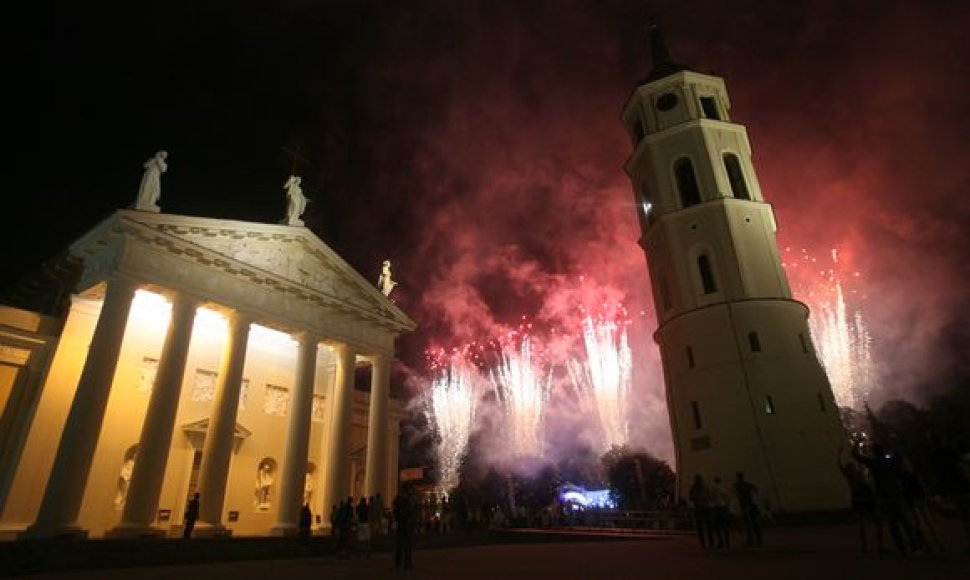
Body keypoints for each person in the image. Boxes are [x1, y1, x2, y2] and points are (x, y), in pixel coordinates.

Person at [852, 443, 920, 553]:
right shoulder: (891, 462)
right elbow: (903, 471)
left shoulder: (873, 463)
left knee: (893, 524)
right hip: (896, 494)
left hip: (884, 497)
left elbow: (855, 455)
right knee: (907, 523)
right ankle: (915, 547)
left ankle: (901, 548)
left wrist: (857, 443)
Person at [838, 446, 884, 552]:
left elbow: (854, 464)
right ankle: (872, 547)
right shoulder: (854, 478)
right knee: (869, 523)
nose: (853, 468)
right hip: (863, 497)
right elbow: (841, 465)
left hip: (862, 497)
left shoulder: (855, 477)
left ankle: (869, 547)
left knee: (869, 523)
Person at [733, 472, 762, 546]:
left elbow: (735, 489)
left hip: (746, 505)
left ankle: (751, 540)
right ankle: (758, 540)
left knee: (748, 523)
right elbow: (755, 488)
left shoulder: (739, 485)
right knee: (754, 523)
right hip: (751, 504)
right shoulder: (747, 484)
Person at [688, 474, 715, 549]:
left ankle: (707, 544)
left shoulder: (695, 488)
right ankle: (707, 544)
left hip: (702, 508)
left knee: (704, 527)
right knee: (705, 527)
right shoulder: (700, 487)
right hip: (703, 508)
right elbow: (710, 497)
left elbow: (690, 498)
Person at [394, 485, 416, 570]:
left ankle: (397, 563)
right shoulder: (409, 499)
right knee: (407, 544)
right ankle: (407, 563)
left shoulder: (398, 499)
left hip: (400, 522)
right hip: (406, 522)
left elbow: (395, 510)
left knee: (399, 544)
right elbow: (411, 510)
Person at [710, 476, 732, 549]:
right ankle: (727, 542)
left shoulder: (713, 488)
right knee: (725, 526)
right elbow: (727, 498)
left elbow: (711, 497)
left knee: (717, 526)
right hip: (723, 507)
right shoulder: (723, 488)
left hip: (717, 507)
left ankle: (721, 542)